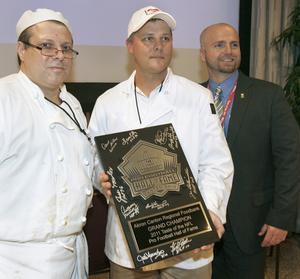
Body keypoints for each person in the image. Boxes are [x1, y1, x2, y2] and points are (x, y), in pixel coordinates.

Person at [89, 6, 233, 279]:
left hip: (188, 239)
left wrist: (210, 211)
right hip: (130, 242)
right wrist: (101, 179)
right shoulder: (108, 102)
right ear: (130, 45)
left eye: (165, 38)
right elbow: (93, 159)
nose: (158, 46)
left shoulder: (199, 98)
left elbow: (216, 163)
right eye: (148, 38)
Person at [199, 23, 300, 279]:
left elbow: (290, 159)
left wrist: (281, 217)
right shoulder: (191, 98)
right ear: (202, 54)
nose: (229, 51)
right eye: (219, 45)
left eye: (234, 44)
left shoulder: (269, 96)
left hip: (250, 224)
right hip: (201, 224)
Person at [0, 8, 94, 278]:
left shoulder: (72, 103)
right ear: (21, 49)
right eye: (46, 47)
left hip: (72, 252)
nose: (59, 56)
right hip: (16, 261)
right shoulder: (4, 98)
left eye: (66, 48)